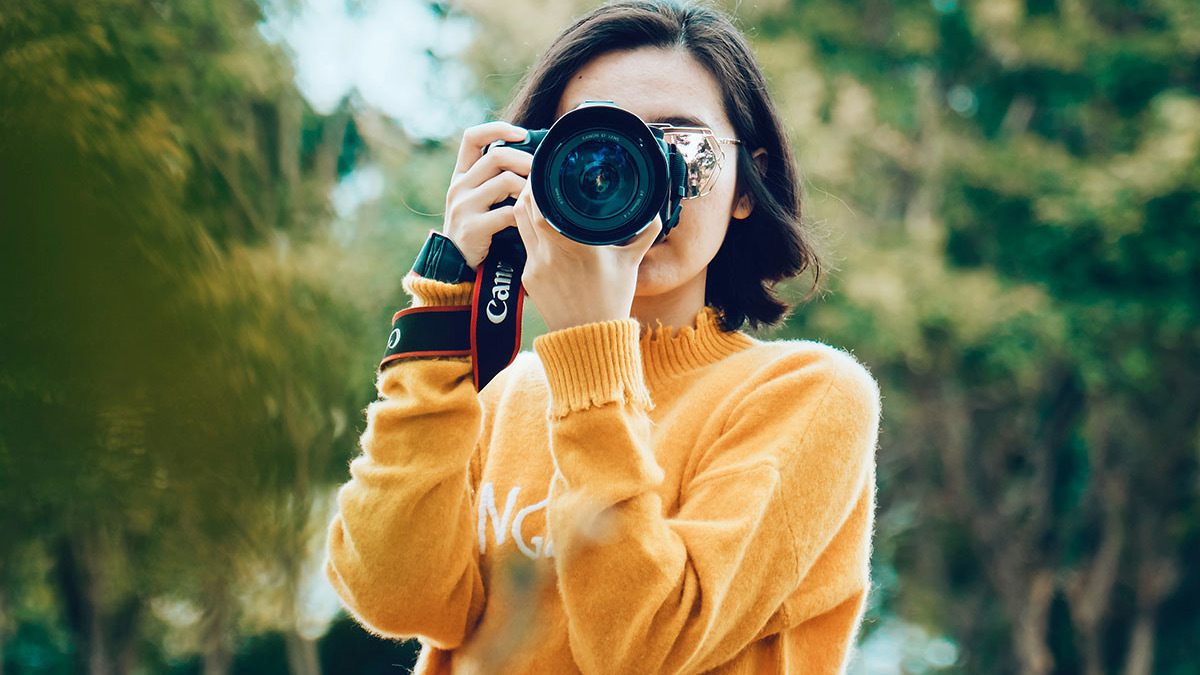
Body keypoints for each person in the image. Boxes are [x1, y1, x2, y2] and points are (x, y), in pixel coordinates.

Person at [325, 1, 880, 672]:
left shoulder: (807, 397)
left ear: (745, 182)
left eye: (681, 145)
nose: (636, 177)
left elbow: (644, 647)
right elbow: (395, 596)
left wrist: (592, 349)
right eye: (596, 149)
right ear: (534, 169)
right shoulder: (504, 393)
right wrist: (446, 297)